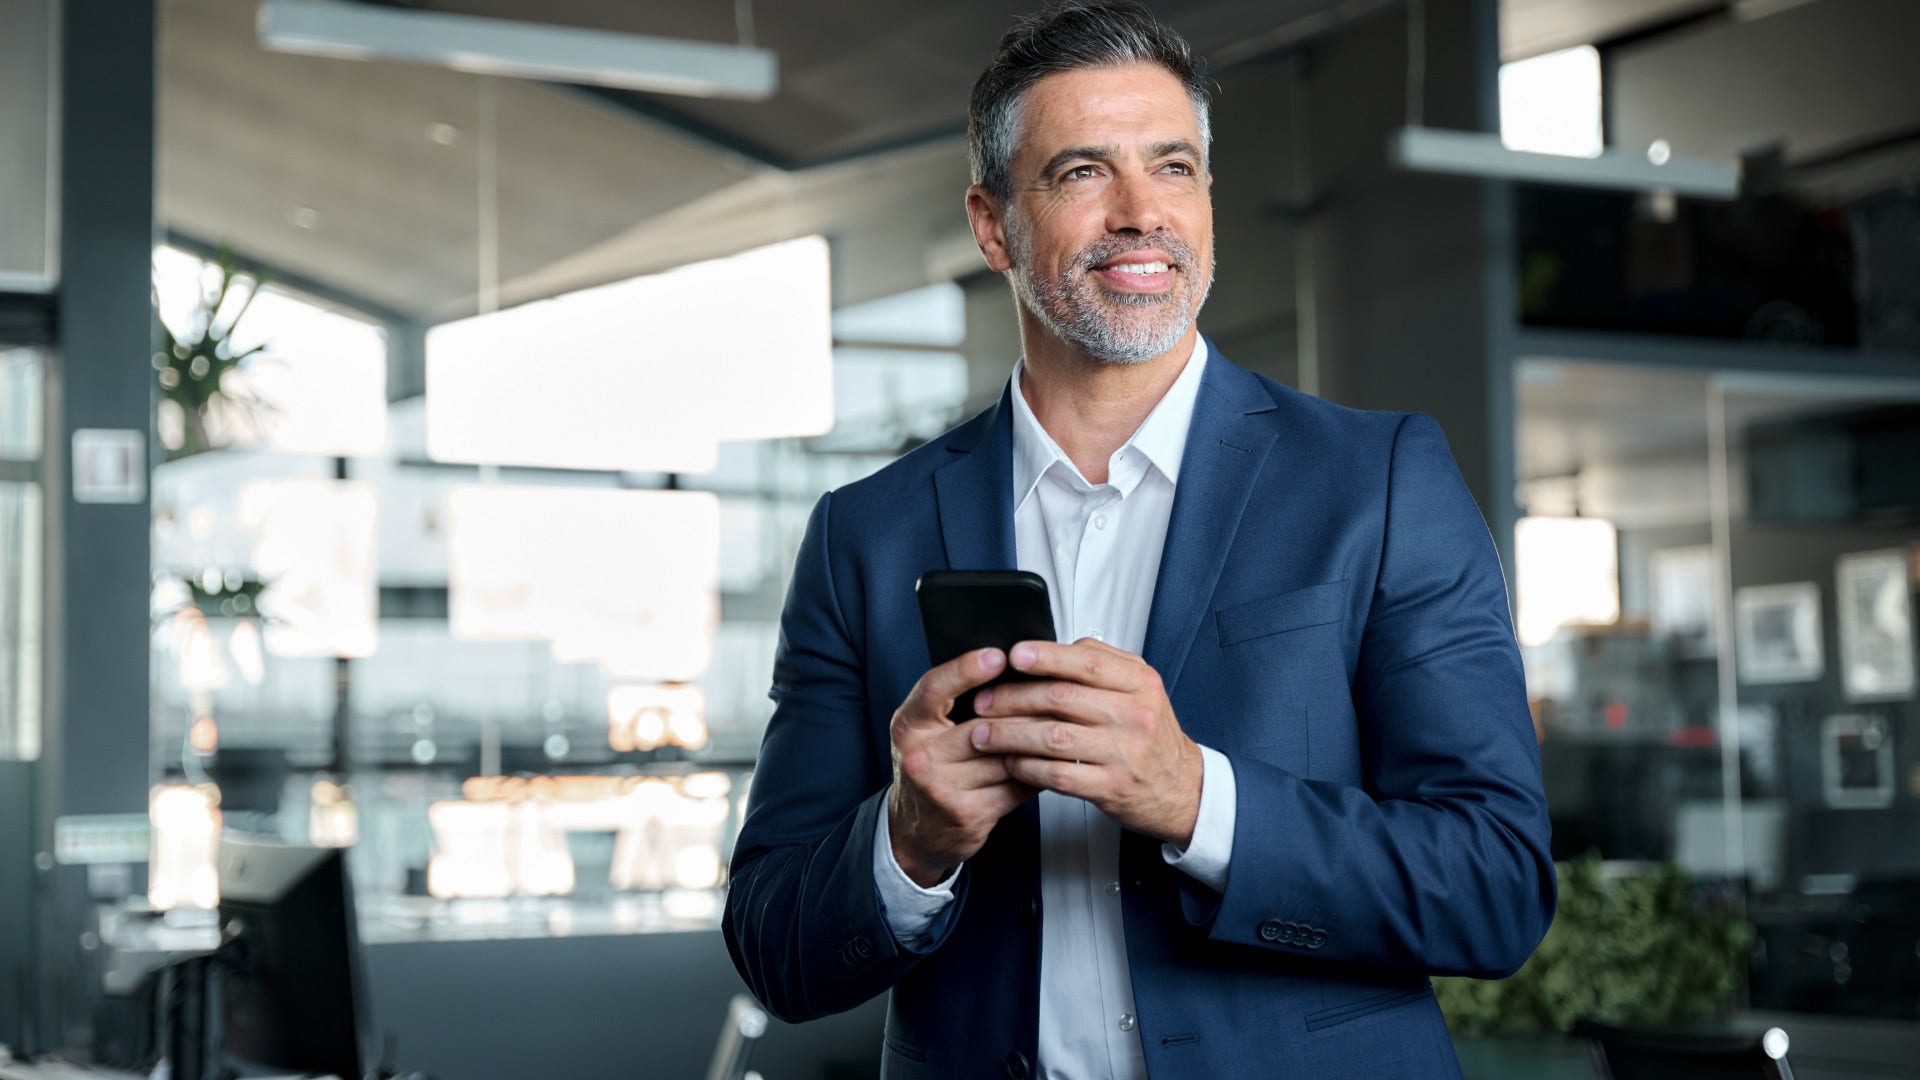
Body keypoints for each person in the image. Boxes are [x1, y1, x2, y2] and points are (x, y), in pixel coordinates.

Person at [723, 2, 1555, 1076]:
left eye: (1172, 167)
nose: (1138, 212)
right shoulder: (864, 535)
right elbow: (774, 948)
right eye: (1080, 172)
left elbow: (1495, 887)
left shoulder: (1380, 483)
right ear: (992, 226)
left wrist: (1197, 799)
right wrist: (910, 840)